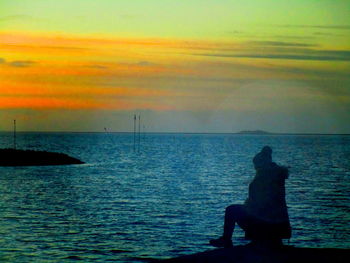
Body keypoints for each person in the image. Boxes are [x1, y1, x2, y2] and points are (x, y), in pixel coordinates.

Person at [210, 146, 291, 248]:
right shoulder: (276, 177)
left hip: (265, 223)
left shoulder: (264, 178)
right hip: (275, 224)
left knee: (231, 210)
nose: (255, 168)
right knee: (241, 210)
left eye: (256, 166)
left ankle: (227, 240)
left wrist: (248, 205)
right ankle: (263, 238)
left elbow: (259, 203)